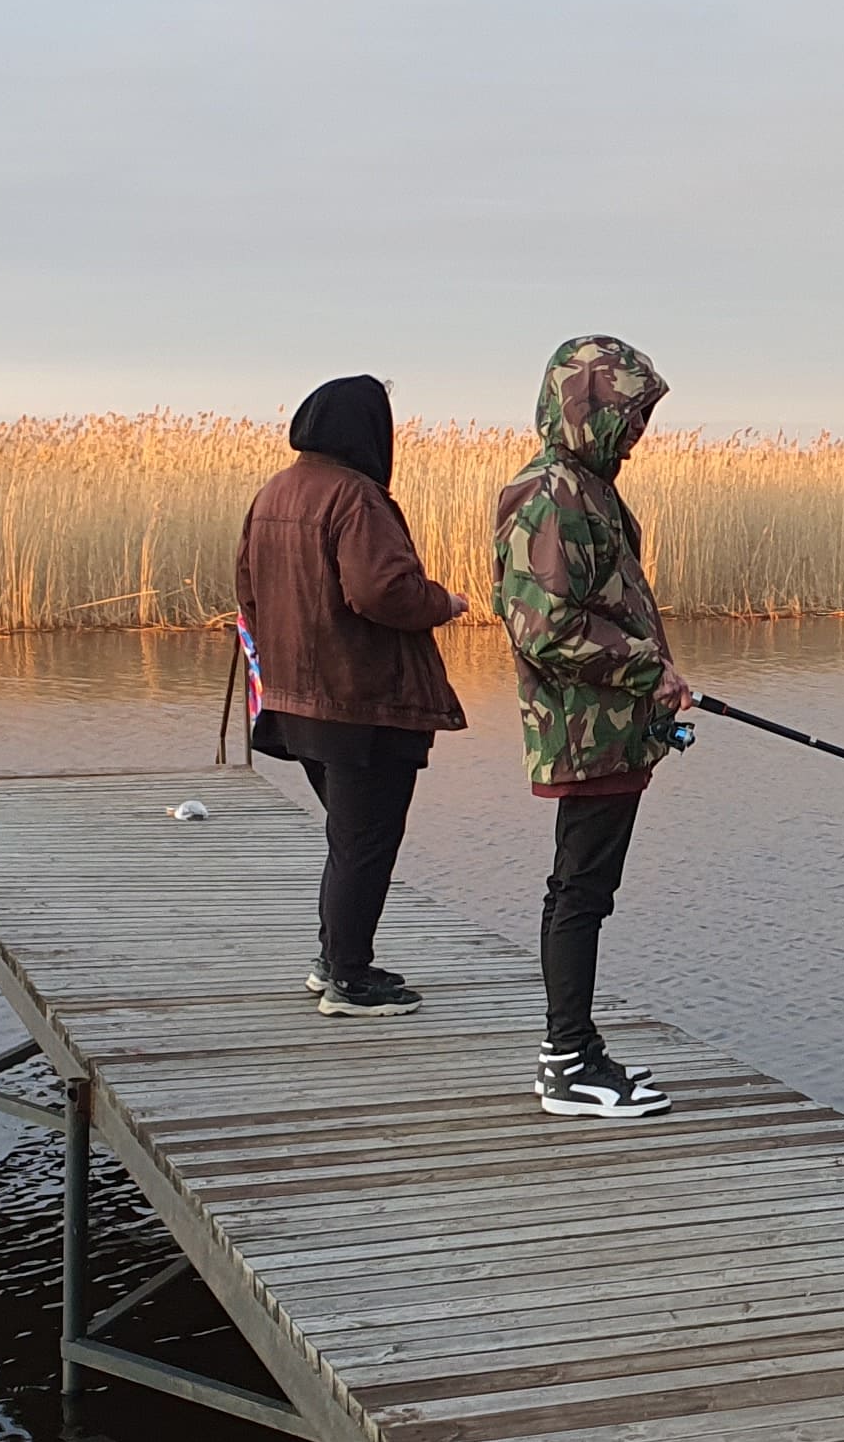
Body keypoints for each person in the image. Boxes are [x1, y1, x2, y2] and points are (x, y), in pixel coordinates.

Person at [494, 334, 693, 1119]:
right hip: (584, 725)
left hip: (611, 723)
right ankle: (567, 1062)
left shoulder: (587, 486)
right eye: (629, 413)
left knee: (584, 888)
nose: (639, 430)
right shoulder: (550, 493)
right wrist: (651, 670)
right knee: (581, 891)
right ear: (589, 406)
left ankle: (573, 1051)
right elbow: (541, 627)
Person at [236, 374, 466, 1016]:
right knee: (367, 841)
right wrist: (442, 602)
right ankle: (350, 979)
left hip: (296, 700)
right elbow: (380, 591)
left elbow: (247, 592)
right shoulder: (356, 498)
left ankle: (331, 958)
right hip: (361, 702)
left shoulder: (274, 492)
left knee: (348, 836)